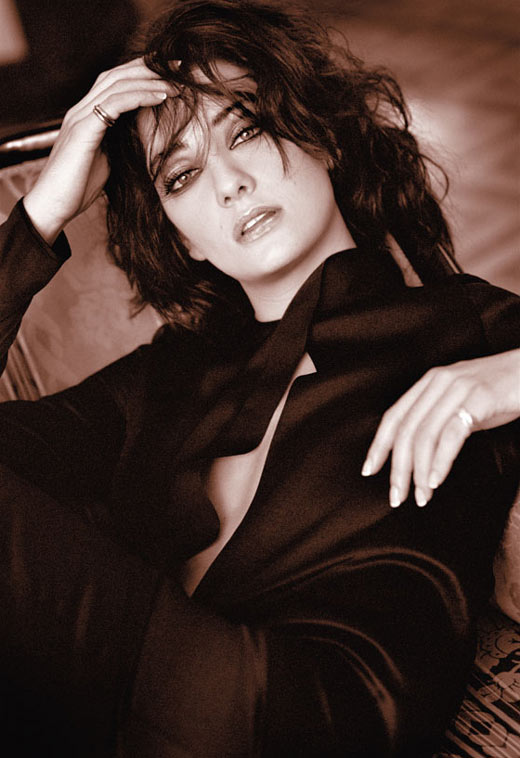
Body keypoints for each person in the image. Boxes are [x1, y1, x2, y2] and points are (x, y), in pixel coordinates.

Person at [0, 0, 519, 755]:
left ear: (322, 137)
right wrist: (43, 212)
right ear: (183, 238)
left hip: (320, 710)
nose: (230, 184)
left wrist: (507, 379)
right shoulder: (169, 374)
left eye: (246, 130)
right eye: (182, 176)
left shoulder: (462, 325)